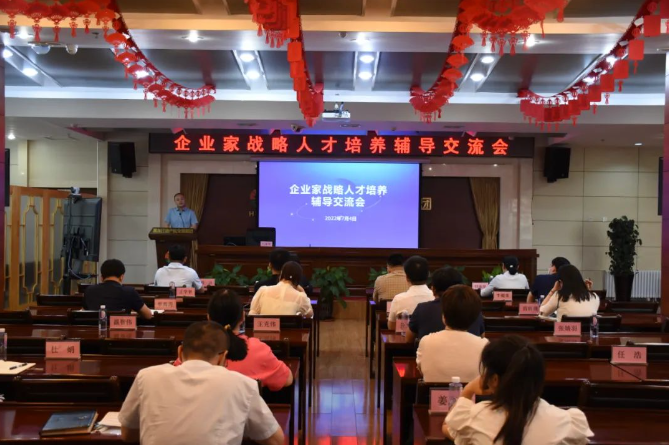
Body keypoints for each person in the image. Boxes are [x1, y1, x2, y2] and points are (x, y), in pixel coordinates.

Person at [119, 321, 284, 445]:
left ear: (180, 351)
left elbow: (128, 434)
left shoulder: (147, 377)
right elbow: (276, 440)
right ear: (223, 357)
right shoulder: (242, 384)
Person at [444, 335, 593, 445]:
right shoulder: (565, 423)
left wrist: (468, 390)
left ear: (494, 380)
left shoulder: (475, 418)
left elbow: (449, 427)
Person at [173, 290, 293, 391]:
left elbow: (176, 378)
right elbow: (287, 379)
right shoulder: (258, 349)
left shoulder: (194, 349)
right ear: (242, 317)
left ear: (208, 317)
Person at [416, 285, 489, 382]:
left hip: (431, 392)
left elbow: (422, 371)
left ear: (444, 316)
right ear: (475, 318)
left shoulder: (426, 341)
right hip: (470, 392)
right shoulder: (484, 346)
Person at [408, 267, 484, 343]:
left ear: (433, 289)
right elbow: (482, 337)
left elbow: (408, 339)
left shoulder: (422, 309)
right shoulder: (474, 309)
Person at [84, 259, 152, 320]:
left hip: (94, 330)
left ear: (101, 277)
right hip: (121, 330)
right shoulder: (129, 292)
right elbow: (148, 315)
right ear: (121, 277)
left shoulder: (89, 290)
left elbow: (84, 312)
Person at [387, 256, 433, 331]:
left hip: (405, 337)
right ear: (428, 275)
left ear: (407, 277)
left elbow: (391, 326)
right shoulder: (436, 297)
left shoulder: (399, 299)